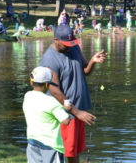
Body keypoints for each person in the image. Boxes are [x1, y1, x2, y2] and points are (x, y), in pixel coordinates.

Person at [39, 25, 107, 163]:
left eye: (71, 43)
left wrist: (93, 61)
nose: (69, 47)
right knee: (68, 150)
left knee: (75, 149)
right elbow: (54, 90)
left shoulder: (74, 47)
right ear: (55, 40)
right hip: (66, 113)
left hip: (78, 109)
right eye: (66, 44)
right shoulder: (50, 59)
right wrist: (76, 112)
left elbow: (85, 70)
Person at [23, 66, 70, 163]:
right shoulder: (52, 102)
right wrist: (67, 107)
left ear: (31, 82)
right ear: (47, 84)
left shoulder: (27, 96)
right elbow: (66, 120)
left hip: (33, 142)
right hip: (51, 146)